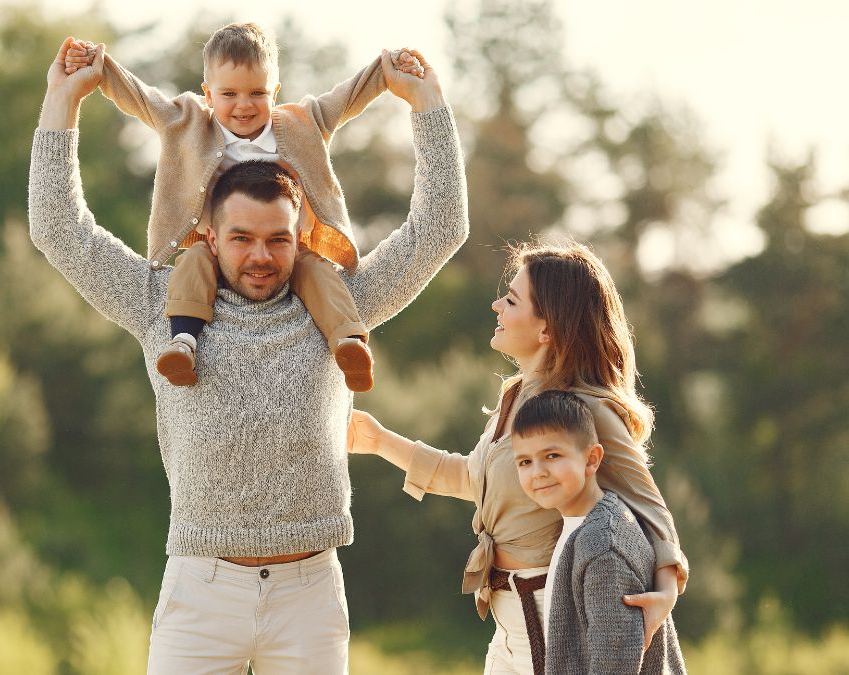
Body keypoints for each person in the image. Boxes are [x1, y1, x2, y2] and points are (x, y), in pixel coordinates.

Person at [34, 37, 466, 673]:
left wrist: (427, 105)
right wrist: (61, 102)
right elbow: (59, 229)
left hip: (309, 597)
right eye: (241, 239)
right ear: (209, 234)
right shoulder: (159, 302)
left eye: (277, 240)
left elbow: (440, 228)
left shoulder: (336, 303)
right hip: (200, 596)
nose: (260, 256)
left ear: (301, 237)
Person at [346, 241, 688, 675]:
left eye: (510, 300)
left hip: (552, 616)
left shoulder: (584, 407)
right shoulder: (514, 395)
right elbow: (476, 479)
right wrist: (379, 441)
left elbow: (650, 507)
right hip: (506, 619)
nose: (496, 306)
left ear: (547, 328)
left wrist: (666, 592)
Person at [60, 24, 424, 391]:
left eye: (257, 93)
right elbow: (139, 98)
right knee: (192, 264)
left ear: (275, 92)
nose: (244, 105)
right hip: (215, 244)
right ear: (208, 94)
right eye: (229, 93)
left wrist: (387, 68)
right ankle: (184, 343)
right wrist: (99, 66)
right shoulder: (187, 123)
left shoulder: (300, 124)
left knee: (316, 270)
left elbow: (346, 97)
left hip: (285, 248)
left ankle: (347, 342)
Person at [512, 389, 687, 674]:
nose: (537, 472)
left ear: (592, 459)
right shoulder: (580, 528)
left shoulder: (604, 545)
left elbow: (613, 665)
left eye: (552, 455)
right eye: (525, 461)